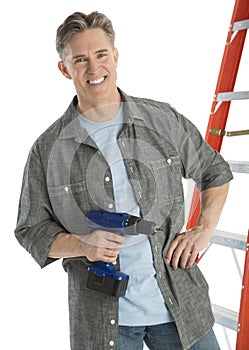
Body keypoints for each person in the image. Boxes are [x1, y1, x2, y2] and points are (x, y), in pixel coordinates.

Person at [15, 11, 233, 350]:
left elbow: (214, 170)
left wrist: (203, 231)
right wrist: (83, 245)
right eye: (80, 60)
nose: (94, 68)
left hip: (180, 308)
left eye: (101, 54)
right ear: (64, 68)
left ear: (115, 56)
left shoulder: (161, 120)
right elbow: (31, 229)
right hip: (102, 321)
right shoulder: (48, 150)